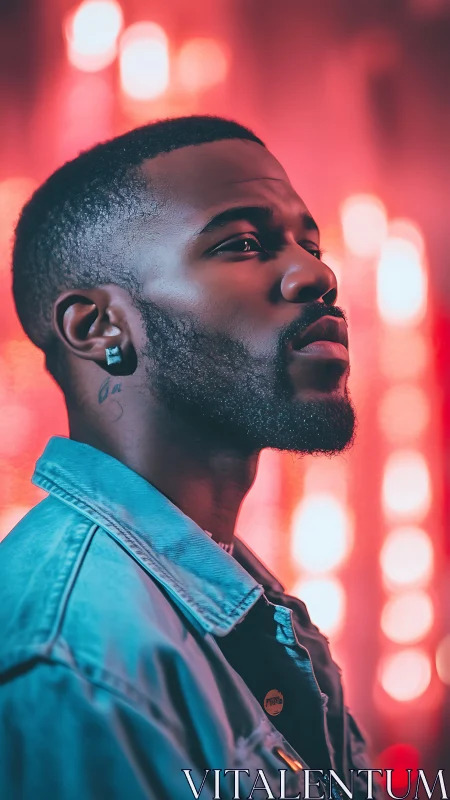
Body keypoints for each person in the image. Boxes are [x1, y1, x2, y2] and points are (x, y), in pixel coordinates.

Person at [0, 116, 372, 799]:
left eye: (309, 243)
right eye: (242, 244)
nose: (318, 274)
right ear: (100, 327)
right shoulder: (76, 663)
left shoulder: (242, 605)